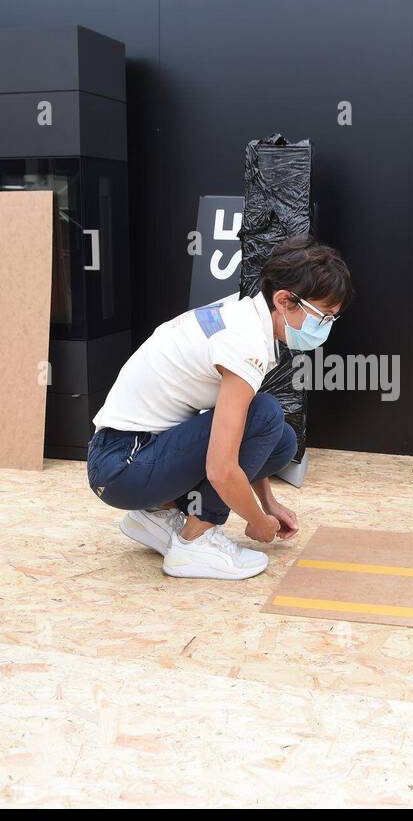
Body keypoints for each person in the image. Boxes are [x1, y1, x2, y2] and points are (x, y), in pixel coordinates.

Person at [87, 236, 352, 580]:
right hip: (123, 466)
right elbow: (220, 467)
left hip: (126, 457)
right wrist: (258, 522)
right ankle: (195, 541)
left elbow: (242, 435)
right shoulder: (245, 343)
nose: (326, 328)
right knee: (266, 413)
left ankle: (156, 513)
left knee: (282, 438)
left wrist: (268, 502)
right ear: (285, 300)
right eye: (324, 317)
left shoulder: (241, 314)